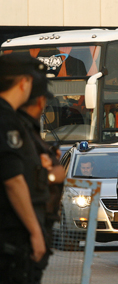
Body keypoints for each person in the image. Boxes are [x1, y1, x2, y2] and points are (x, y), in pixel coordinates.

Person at [0, 54, 47, 284]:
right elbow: (13, 180)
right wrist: (35, 232)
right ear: (23, 82)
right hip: (9, 239)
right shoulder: (7, 120)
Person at [17, 74, 66, 280]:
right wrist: (35, 232)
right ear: (40, 101)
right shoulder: (20, 129)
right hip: (25, 233)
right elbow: (15, 182)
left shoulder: (29, 130)